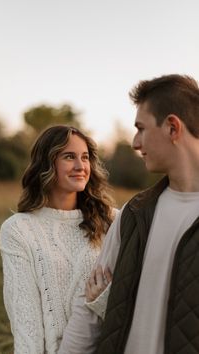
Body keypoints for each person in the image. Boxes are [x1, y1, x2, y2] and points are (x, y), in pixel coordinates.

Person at [58, 74, 199, 354]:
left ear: (172, 128)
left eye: (141, 128)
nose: (135, 142)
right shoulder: (133, 214)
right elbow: (88, 310)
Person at [0, 125, 116, 354]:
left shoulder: (113, 221)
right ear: (46, 163)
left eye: (85, 157)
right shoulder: (19, 230)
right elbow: (26, 322)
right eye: (69, 157)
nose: (80, 166)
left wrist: (101, 302)